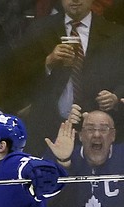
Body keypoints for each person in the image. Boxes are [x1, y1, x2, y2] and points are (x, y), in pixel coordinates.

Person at [12, 0, 124, 156]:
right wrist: (48, 63)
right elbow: (19, 77)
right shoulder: (39, 29)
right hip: (47, 127)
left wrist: (116, 96)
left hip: (98, 131)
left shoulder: (116, 34)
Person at [45, 108, 124, 207]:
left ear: (113, 136)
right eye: (89, 129)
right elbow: (42, 205)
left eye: (103, 129)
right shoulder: (58, 154)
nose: (96, 135)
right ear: (80, 136)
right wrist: (63, 163)